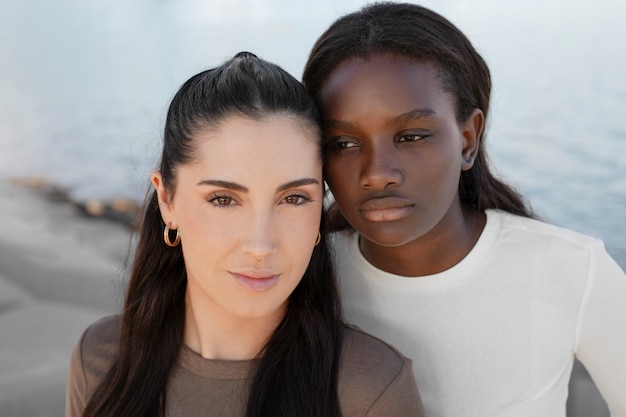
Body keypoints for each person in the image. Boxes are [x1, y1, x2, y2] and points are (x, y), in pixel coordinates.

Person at [302, 3, 626, 417]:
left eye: (412, 136)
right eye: (343, 144)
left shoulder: (572, 269)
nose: (377, 174)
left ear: (468, 139)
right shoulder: (304, 278)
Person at [65, 52, 425, 417]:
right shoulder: (100, 361)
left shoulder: (370, 390)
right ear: (166, 199)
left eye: (294, 198)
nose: (260, 245)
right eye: (223, 199)